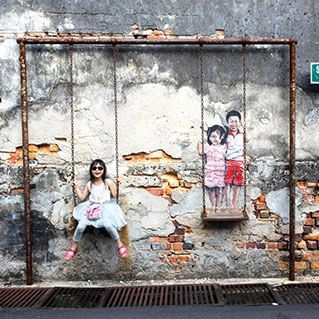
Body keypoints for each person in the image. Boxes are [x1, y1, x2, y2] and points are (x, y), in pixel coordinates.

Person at [64, 159, 128, 261]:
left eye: (100, 168)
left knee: (108, 224)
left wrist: (117, 184)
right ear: (91, 170)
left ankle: (119, 244)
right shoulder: (90, 184)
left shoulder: (107, 182)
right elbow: (82, 197)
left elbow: (115, 195)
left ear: (103, 170)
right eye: (94, 168)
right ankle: (74, 246)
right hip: (92, 208)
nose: (97, 170)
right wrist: (75, 188)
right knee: (80, 226)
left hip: (105, 208)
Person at [197, 124, 227, 211]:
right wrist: (200, 140)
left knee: (220, 190)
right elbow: (200, 152)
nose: (213, 139)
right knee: (211, 190)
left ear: (221, 137)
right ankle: (213, 205)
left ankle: (218, 206)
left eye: (215, 136)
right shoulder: (208, 146)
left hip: (220, 171)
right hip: (210, 171)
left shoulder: (224, 147)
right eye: (211, 137)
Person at [224, 110, 245, 210]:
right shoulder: (225, 134)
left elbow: (248, 140)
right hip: (229, 161)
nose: (234, 124)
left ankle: (234, 202)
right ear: (228, 122)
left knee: (237, 183)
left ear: (239, 122)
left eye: (236, 121)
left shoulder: (242, 134)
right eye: (231, 121)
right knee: (227, 182)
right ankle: (228, 202)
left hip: (240, 162)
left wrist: (244, 130)